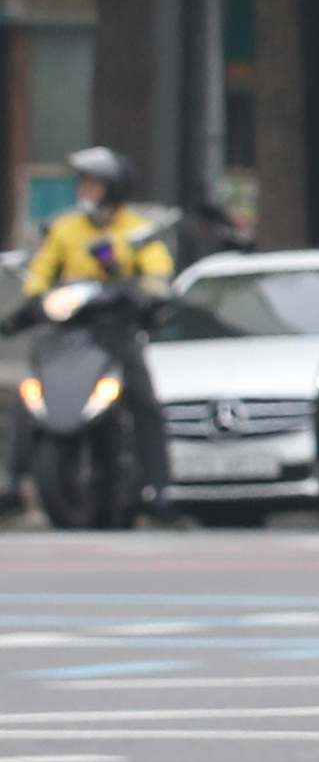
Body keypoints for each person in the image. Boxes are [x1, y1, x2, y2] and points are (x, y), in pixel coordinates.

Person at [25, 145, 176, 506]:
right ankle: (11, 480)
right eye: (84, 185)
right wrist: (33, 300)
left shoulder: (137, 231)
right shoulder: (65, 228)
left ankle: (159, 486)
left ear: (114, 188)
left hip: (116, 329)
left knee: (144, 400)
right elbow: (40, 276)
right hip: (71, 330)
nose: (85, 193)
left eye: (93, 186)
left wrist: (138, 289)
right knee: (30, 396)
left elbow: (157, 275)